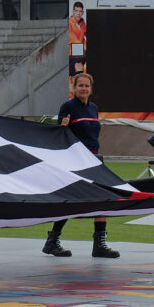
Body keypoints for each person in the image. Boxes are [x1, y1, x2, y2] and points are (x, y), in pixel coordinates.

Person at [42, 71, 119, 259]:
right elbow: (58, 135)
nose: (83, 88)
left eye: (86, 86)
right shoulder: (68, 106)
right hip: (75, 161)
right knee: (70, 200)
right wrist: (63, 126)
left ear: (91, 89)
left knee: (103, 198)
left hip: (93, 159)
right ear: (74, 88)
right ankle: (52, 241)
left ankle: (99, 244)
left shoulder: (93, 108)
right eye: (80, 85)